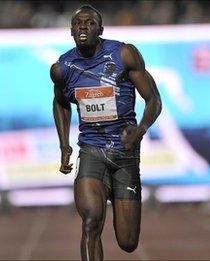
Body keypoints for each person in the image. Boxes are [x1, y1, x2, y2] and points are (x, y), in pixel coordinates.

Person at [51, 5, 162, 260]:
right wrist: (64, 145)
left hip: (125, 153)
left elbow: (154, 99)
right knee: (90, 221)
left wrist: (140, 130)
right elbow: (60, 102)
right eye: (78, 23)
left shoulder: (124, 54)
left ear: (100, 29)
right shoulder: (63, 68)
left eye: (89, 23)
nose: (83, 26)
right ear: (70, 31)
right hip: (91, 151)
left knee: (128, 242)